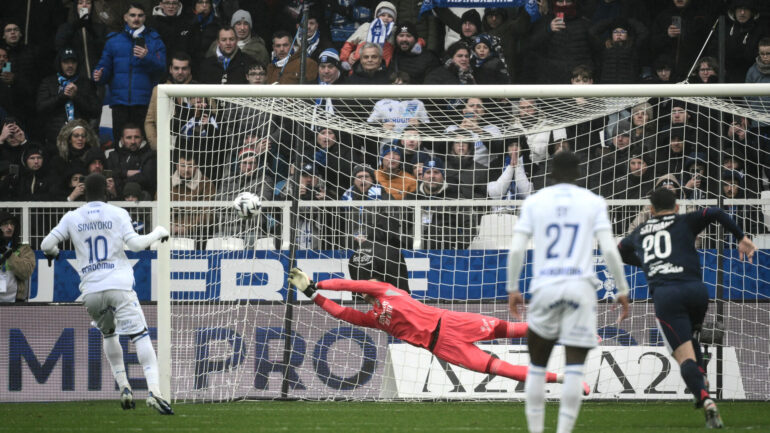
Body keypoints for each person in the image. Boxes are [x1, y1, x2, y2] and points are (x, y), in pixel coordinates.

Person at [287, 267, 584, 392]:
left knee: (516, 329)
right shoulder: (374, 318)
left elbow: (348, 284)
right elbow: (342, 313)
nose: (365, 288)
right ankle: (565, 379)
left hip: (451, 322)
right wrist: (313, 294)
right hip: (443, 347)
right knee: (502, 369)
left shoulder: (385, 289)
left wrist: (319, 283)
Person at [508, 151, 630, 433]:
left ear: (551, 173)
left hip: (546, 287)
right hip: (580, 288)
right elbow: (609, 249)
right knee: (575, 368)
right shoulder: (593, 201)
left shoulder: (535, 201)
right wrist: (622, 288)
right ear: (578, 173)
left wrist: (513, 287)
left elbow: (516, 249)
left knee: (537, 366)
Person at [618, 188, 758, 428]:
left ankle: (705, 399)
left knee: (683, 357)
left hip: (667, 296)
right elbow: (715, 212)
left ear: (650, 210)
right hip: (697, 292)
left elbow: (620, 251)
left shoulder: (640, 232)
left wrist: (650, 263)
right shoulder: (685, 220)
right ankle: (701, 375)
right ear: (677, 207)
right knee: (691, 337)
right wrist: (740, 237)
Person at [40, 173, 173, 414]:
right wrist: (159, 232)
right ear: (107, 191)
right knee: (140, 336)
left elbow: (46, 245)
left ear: (85, 191)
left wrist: (54, 254)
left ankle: (124, 387)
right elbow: (135, 245)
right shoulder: (117, 213)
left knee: (109, 334)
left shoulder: (72, 217)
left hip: (91, 290)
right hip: (118, 285)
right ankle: (154, 391)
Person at [93, 3, 167, 144]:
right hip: (119, 102)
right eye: (132, 15)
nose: (136, 19)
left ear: (145, 18)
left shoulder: (155, 40)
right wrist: (98, 75)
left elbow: (162, 69)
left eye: (140, 15)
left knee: (143, 145)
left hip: (144, 102)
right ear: (125, 17)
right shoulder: (113, 41)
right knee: (120, 144)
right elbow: (104, 67)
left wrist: (147, 57)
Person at [36, 47, 100, 147]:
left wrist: (76, 96)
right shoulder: (48, 82)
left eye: (73, 62)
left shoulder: (86, 83)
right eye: (66, 62)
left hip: (81, 139)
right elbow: (41, 108)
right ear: (59, 64)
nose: (70, 65)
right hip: (55, 138)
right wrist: (63, 96)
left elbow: (95, 111)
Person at [145, 51, 194, 149]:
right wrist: (156, 145)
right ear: (170, 69)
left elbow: (213, 116)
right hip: (166, 147)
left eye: (184, 68)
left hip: (193, 149)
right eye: (176, 68)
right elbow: (149, 122)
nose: (180, 72)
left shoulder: (201, 89)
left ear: (189, 70)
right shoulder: (158, 90)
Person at [204, 10, 269, 66]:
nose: (242, 28)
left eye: (246, 24)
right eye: (238, 24)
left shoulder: (260, 49)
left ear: (250, 27)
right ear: (233, 26)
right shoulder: (217, 45)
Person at [0, 211, 35, 303]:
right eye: (5, 224)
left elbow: (26, 272)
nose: (10, 227)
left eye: (12, 224)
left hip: (16, 302)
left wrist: (9, 255)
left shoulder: (24, 249)